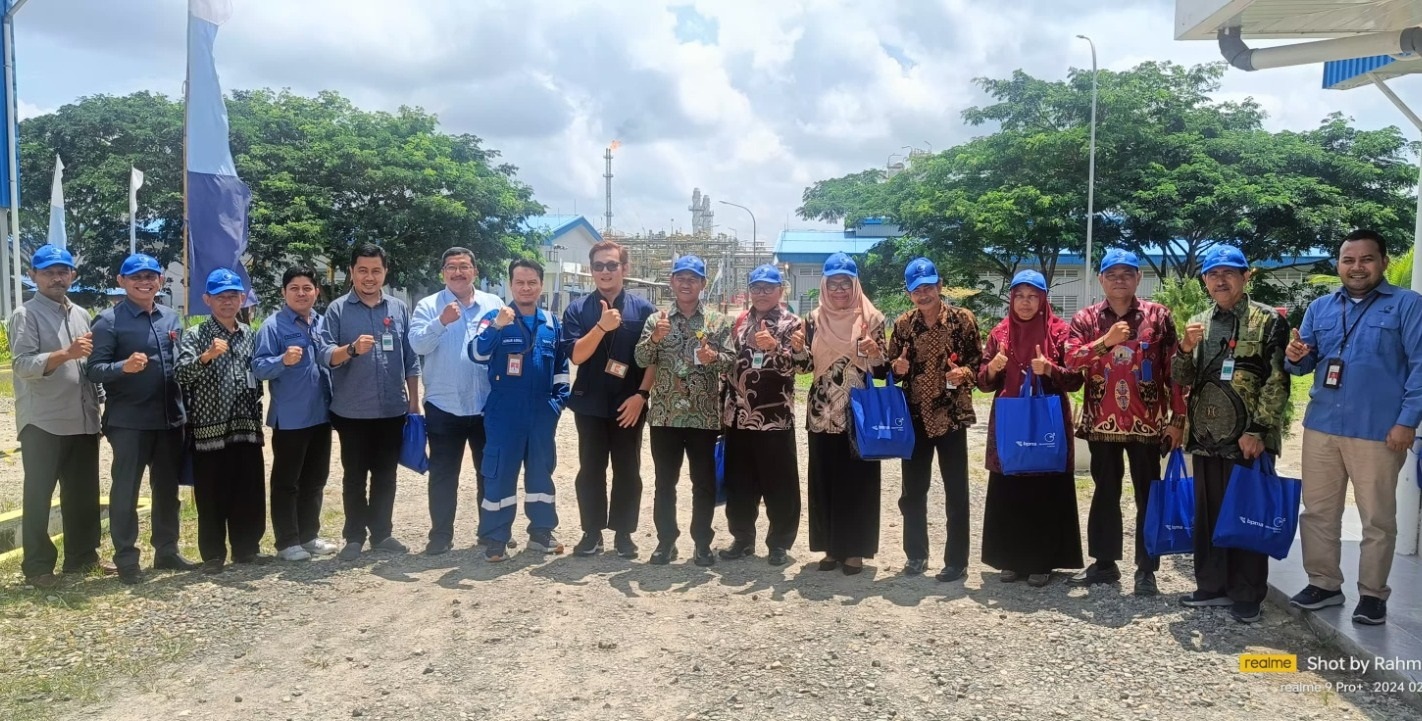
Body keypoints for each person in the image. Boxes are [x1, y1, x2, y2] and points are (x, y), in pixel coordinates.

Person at [1284, 229, 1422, 626]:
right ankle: (1324, 584)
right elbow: (1303, 364)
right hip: (1323, 423)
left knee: (1376, 517)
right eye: (1348, 260)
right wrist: (1295, 356)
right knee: (1318, 512)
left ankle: (1373, 595)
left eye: (1366, 259)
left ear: (1383, 262)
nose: (1356, 267)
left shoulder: (1408, 306)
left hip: (1379, 430)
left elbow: (1419, 367)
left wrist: (1407, 422)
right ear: (1338, 264)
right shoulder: (1321, 308)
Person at [1172, 245, 1290, 624]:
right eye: (1212, 274)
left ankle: (1247, 592)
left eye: (1228, 273)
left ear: (1245, 277)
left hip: (1247, 440)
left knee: (1246, 513)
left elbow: (1277, 379)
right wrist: (1185, 349)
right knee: (1208, 515)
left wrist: (1258, 430)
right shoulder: (1199, 321)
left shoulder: (1268, 320)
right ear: (1205, 280)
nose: (1220, 280)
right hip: (1206, 437)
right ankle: (1211, 586)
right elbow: (1181, 379)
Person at [1065, 249, 1186, 597]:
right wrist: (1105, 342)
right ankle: (1105, 564)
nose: (1120, 280)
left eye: (1127, 274)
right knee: (1105, 492)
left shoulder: (1158, 316)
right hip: (1101, 422)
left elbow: (1174, 370)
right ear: (1100, 279)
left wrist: (1177, 420)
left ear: (1138, 278)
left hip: (1148, 423)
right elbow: (1071, 359)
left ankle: (1147, 569)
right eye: (1112, 274)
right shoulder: (1086, 319)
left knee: (1149, 495)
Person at [86, 252, 195, 585]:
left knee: (166, 491)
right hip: (129, 422)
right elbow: (93, 370)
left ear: (160, 281)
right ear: (121, 282)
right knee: (126, 492)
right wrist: (123, 367)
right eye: (137, 277)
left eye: (151, 277)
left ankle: (166, 551)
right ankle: (127, 560)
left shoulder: (171, 318)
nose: (145, 282)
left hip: (169, 419)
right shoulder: (108, 321)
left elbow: (182, 360)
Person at [10, 245, 112, 588]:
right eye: (48, 272)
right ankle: (38, 567)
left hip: (82, 419)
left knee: (83, 493)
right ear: (33, 276)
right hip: (44, 421)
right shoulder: (26, 314)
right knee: (39, 494)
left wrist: (99, 403)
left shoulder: (81, 314)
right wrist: (64, 354)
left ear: (73, 275)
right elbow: (23, 365)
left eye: (63, 271)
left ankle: (82, 558)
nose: (57, 278)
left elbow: (86, 367)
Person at [978, 270, 1084, 587]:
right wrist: (993, 368)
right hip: (1011, 420)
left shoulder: (1060, 332)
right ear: (1011, 298)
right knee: (1010, 486)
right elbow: (982, 383)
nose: (1025, 302)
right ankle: (1010, 559)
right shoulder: (999, 333)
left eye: (1032, 296)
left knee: (1045, 487)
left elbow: (1075, 378)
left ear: (1043, 299)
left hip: (1046, 420)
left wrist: (1049, 368)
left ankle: (1043, 561)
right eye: (1020, 295)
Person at [319, 243, 421, 561]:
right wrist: (350, 350)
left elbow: (410, 359)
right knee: (354, 476)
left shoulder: (398, 308)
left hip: (392, 409)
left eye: (376, 270)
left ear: (385, 273)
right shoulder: (337, 309)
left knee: (386, 475)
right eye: (362, 270)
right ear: (351, 272)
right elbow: (325, 355)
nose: (369, 277)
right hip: (352, 411)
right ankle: (354, 536)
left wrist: (414, 403)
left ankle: (382, 534)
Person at [887, 257, 983, 582]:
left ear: (940, 286)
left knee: (957, 492)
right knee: (912, 492)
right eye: (917, 290)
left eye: (929, 287)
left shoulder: (963, 320)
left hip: (952, 415)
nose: (924, 294)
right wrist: (895, 369)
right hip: (914, 417)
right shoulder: (903, 325)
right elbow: (890, 367)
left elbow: (978, 363)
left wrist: (964, 372)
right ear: (909, 293)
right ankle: (916, 555)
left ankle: (956, 561)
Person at [469, 259, 571, 561]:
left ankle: (541, 534)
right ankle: (496, 537)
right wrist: (498, 325)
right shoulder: (495, 317)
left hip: (542, 411)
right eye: (519, 283)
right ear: (510, 284)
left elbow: (561, 368)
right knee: (499, 473)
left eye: (532, 283)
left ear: (541, 285)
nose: (526, 288)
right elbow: (476, 353)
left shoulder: (552, 323)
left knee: (541, 473)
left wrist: (557, 403)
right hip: (504, 412)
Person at [633, 255, 732, 566]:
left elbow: (733, 359)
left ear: (703, 284)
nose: (686, 283)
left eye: (693, 278)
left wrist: (713, 355)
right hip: (665, 415)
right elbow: (640, 359)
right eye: (681, 277)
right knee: (665, 482)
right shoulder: (656, 320)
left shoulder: (716, 321)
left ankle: (702, 542)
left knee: (703, 482)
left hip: (703, 417)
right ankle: (666, 542)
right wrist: (655, 338)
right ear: (672, 282)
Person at [561, 240, 656, 558]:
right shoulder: (577, 309)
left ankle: (624, 534)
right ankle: (591, 532)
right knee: (590, 469)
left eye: (612, 265)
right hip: (590, 404)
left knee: (628, 470)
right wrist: (602, 327)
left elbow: (654, 358)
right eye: (598, 265)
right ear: (592, 271)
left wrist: (642, 396)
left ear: (624, 269)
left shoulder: (643, 310)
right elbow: (576, 355)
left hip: (628, 405)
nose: (605, 271)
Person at [409, 247, 507, 556]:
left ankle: (491, 531)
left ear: (475, 271)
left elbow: (505, 347)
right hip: (444, 405)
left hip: (485, 405)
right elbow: (417, 345)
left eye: (464, 266)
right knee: (443, 475)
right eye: (451, 267)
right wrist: (441, 321)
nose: (458, 272)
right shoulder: (428, 306)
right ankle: (440, 536)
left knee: (488, 472)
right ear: (443, 273)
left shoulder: (493, 304)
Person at [175, 269, 267, 574]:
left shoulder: (251, 334)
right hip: (209, 428)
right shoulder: (196, 334)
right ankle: (213, 554)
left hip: (246, 427)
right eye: (220, 296)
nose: (227, 302)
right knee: (212, 493)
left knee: (248, 490)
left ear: (242, 298)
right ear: (207, 300)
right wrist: (207, 356)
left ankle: (247, 548)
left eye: (233, 296)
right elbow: (181, 374)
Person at [804, 253, 886, 575]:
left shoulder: (873, 319)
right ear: (824, 285)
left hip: (860, 415)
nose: (839, 289)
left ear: (855, 284)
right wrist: (798, 349)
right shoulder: (811, 320)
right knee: (825, 480)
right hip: (822, 413)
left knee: (859, 482)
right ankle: (830, 548)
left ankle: (855, 551)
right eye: (833, 283)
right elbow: (803, 367)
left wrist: (877, 353)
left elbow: (882, 370)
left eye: (845, 283)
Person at [720, 264, 807, 566]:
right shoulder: (741, 321)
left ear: (780, 290)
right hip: (738, 416)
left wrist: (774, 349)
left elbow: (801, 366)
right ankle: (742, 538)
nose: (761, 293)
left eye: (768, 288)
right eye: (756, 288)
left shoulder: (793, 324)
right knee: (739, 482)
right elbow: (730, 365)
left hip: (774, 418)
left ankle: (780, 543)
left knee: (779, 483)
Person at [252, 266, 339, 562]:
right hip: (290, 418)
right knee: (287, 482)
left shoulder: (322, 322)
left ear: (316, 291)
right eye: (294, 288)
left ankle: (309, 536)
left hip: (321, 415)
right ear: (284, 293)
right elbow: (259, 367)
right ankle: (287, 542)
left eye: (307, 288)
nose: (301, 293)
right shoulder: (273, 326)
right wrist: (282, 359)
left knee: (316, 479)